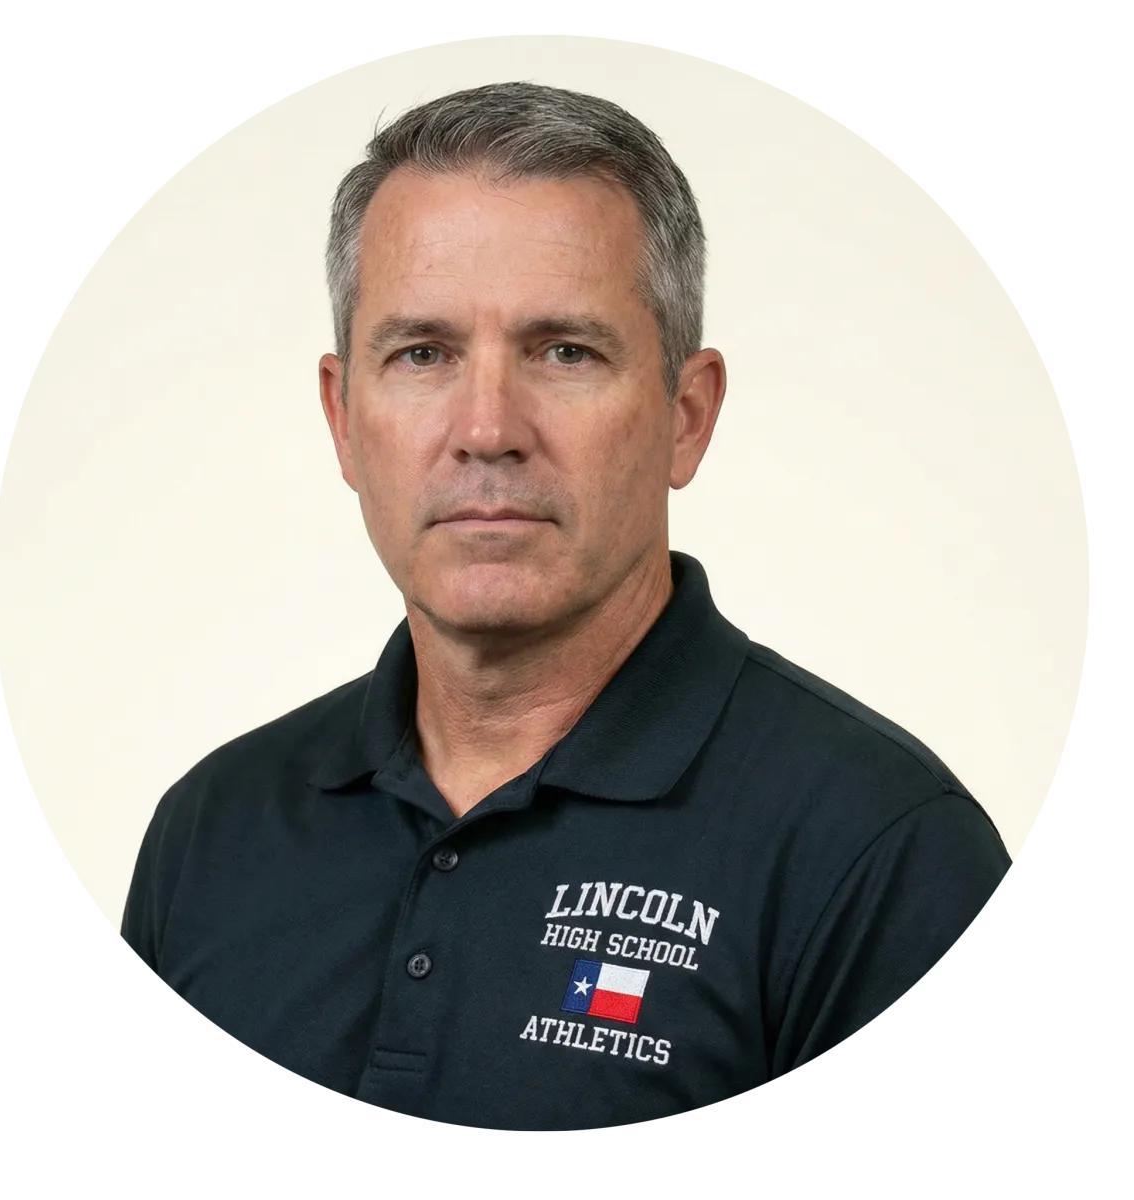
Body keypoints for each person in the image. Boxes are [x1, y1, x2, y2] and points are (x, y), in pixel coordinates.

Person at [119, 80, 1012, 1133]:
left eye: (564, 353)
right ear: (343, 418)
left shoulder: (882, 856)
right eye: (422, 354)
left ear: (687, 415)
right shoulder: (212, 833)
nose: (487, 429)